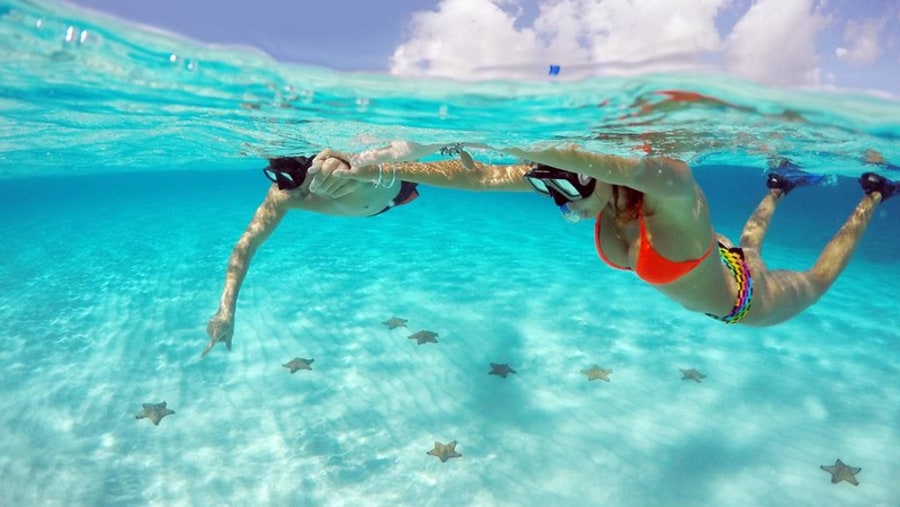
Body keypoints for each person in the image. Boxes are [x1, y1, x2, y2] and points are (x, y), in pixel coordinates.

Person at [314, 143, 897, 327]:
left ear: (604, 172)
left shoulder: (672, 200)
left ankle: (874, 193)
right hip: (716, 260)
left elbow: (659, 171)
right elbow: (480, 176)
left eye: (567, 189)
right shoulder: (580, 184)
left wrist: (543, 145)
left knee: (815, 279)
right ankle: (780, 186)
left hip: (749, 302)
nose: (561, 204)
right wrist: (384, 169)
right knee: (747, 245)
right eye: (554, 192)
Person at [202, 155, 421, 357]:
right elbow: (246, 244)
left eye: (294, 174)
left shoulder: (347, 170)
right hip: (373, 198)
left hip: (397, 188)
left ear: (316, 166)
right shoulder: (285, 192)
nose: (288, 185)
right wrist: (226, 311)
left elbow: (384, 157)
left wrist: (352, 171)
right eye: (278, 173)